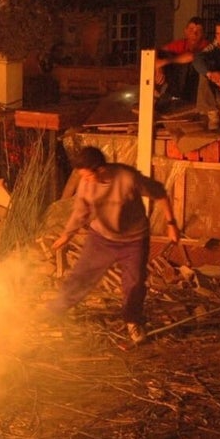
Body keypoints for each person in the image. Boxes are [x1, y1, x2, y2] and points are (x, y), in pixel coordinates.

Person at [48, 146, 180, 344]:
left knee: (134, 284)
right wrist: (67, 235)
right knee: (81, 275)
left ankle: (133, 321)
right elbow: (80, 212)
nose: (84, 180)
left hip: (133, 240)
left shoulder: (127, 178)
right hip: (101, 238)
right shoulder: (86, 184)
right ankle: (55, 310)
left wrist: (171, 225)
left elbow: (160, 193)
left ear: (100, 169)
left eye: (87, 175)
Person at [154, 17, 207, 105]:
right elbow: (157, 50)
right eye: (191, 30)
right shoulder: (181, 43)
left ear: (203, 34)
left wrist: (164, 62)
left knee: (187, 64)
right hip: (177, 79)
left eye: (198, 31)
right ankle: (155, 93)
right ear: (185, 31)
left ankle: (175, 97)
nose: (194, 34)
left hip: (193, 83)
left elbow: (191, 56)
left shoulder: (205, 45)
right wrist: (159, 67)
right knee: (161, 56)